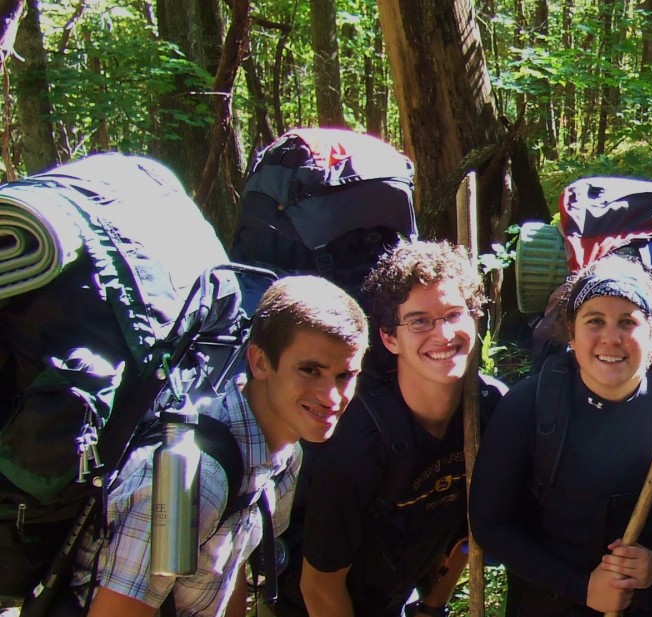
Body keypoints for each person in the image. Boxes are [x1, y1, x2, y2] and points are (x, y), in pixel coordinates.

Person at [67, 275, 370, 617]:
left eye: (344, 375)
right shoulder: (192, 483)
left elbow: (230, 563)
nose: (331, 397)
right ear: (259, 362)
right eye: (310, 370)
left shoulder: (284, 457)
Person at [470, 254, 652, 616]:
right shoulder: (529, 405)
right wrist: (582, 588)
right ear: (570, 332)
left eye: (627, 322)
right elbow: (490, 522)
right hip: (551, 595)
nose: (611, 338)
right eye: (595, 321)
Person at [277, 240, 507, 617]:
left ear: (475, 317)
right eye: (419, 321)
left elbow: (469, 530)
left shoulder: (488, 413)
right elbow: (318, 587)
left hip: (397, 597)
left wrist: (433, 605)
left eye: (454, 314)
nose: (443, 334)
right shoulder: (358, 445)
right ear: (388, 338)